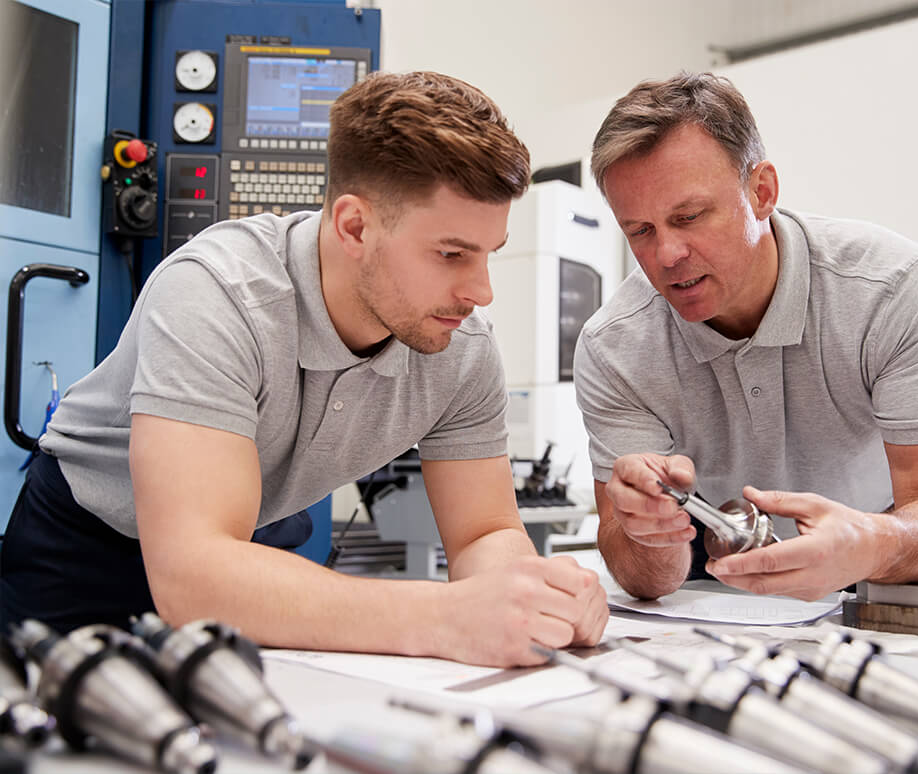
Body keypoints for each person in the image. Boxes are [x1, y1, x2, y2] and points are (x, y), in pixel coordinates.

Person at [0, 71, 608, 667]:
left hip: (242, 551)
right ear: (354, 226)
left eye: (487, 255)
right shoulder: (218, 292)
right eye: (451, 254)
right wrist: (446, 616)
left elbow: (482, 534)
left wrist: (534, 599)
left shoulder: (463, 347)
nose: (481, 291)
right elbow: (194, 580)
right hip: (87, 551)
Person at [575, 71, 918, 602]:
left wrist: (869, 544)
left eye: (690, 216)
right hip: (720, 594)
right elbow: (641, 576)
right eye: (640, 231)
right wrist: (646, 533)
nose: (666, 255)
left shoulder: (896, 290)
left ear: (761, 191)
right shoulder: (615, 348)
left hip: (885, 577)